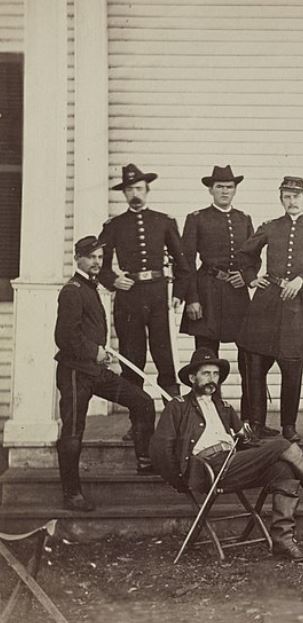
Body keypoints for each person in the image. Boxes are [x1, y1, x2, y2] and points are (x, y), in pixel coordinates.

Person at [150, 348, 303, 562]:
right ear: (192, 377)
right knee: (282, 445)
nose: (212, 379)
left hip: (232, 463)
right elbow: (160, 449)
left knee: (284, 471)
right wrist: (180, 481)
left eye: (216, 374)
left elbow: (246, 444)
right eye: (206, 373)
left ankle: (283, 542)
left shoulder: (225, 408)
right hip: (208, 468)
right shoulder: (177, 407)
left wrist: (244, 438)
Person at [55, 236, 157, 511]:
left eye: (100, 257)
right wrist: (95, 352)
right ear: (77, 258)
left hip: (94, 369)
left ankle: (146, 461)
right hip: (75, 372)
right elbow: (64, 338)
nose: (97, 262)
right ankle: (71, 494)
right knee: (74, 430)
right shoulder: (73, 290)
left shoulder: (92, 287)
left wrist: (104, 356)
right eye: (91, 257)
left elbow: (85, 331)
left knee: (142, 401)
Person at [98, 163, 191, 441]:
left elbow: (183, 264)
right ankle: (138, 424)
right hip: (129, 299)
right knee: (132, 361)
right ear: (124, 194)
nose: (134, 194)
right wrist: (113, 280)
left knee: (166, 359)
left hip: (158, 296)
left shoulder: (163, 222)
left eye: (139, 188)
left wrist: (178, 295)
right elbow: (99, 266)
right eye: (129, 190)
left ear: (147, 190)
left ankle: (175, 422)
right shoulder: (114, 226)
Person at [236, 176, 303, 442]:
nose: (291, 201)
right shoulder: (271, 227)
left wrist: (301, 280)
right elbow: (245, 254)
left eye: (296, 196)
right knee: (254, 365)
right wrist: (252, 278)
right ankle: (256, 424)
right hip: (265, 303)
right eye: (287, 196)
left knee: (293, 366)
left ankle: (288, 426)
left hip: (296, 306)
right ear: (281, 199)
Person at [180, 165, 255, 426]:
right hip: (207, 291)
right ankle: (209, 419)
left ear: (235, 190)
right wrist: (191, 298)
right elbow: (186, 262)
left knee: (248, 358)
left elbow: (253, 257)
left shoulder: (244, 219)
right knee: (205, 358)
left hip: (236, 294)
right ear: (211, 190)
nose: (225, 191)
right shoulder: (197, 218)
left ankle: (249, 420)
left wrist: (245, 276)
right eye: (220, 187)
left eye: (230, 187)